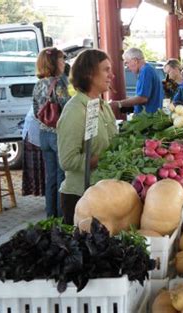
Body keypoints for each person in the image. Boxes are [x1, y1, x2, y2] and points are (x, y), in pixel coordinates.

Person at [57, 49, 118, 225]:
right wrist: (100, 159)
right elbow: (67, 161)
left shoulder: (102, 105)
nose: (111, 75)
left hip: (103, 193)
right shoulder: (75, 110)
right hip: (80, 197)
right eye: (106, 70)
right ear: (89, 73)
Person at [33, 47, 70, 217]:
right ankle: (62, 217)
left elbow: (35, 111)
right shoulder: (59, 82)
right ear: (54, 62)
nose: (64, 63)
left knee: (50, 178)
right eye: (62, 59)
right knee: (62, 177)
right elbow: (67, 107)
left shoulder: (38, 84)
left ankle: (50, 216)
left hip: (44, 134)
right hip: (58, 134)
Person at [111, 47, 164, 114]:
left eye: (127, 62)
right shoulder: (147, 70)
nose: (127, 66)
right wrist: (127, 99)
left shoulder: (146, 71)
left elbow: (142, 98)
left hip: (148, 118)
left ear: (135, 61)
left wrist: (119, 104)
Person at [21, 108, 45, 197]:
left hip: (33, 131)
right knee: (42, 168)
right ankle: (42, 193)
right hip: (34, 134)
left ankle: (45, 197)